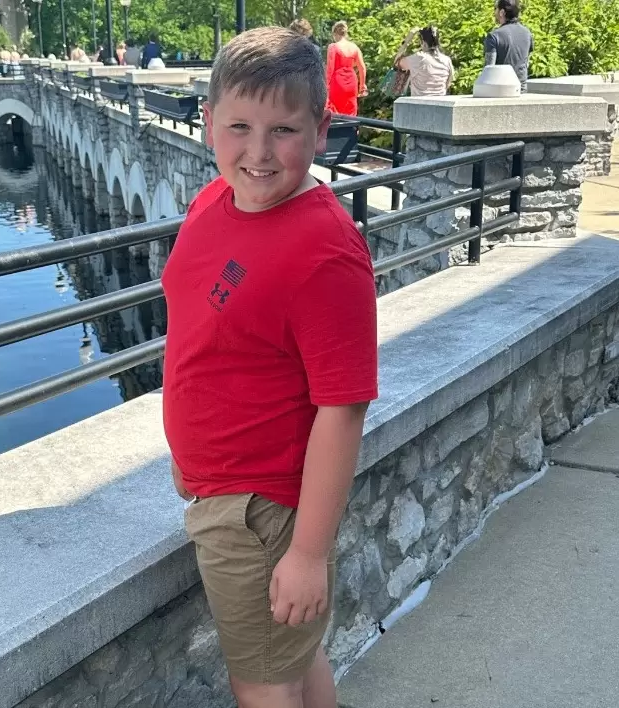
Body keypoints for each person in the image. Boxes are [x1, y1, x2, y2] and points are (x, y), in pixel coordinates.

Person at [162, 25, 378, 708]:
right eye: (239, 127)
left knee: (262, 683)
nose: (257, 152)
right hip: (223, 487)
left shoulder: (324, 251)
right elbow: (208, 331)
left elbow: (343, 407)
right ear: (208, 123)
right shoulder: (211, 201)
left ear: (321, 130)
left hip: (262, 513)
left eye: (283, 130)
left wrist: (307, 553)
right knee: (293, 660)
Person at [485, 0, 534, 92]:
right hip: (521, 89)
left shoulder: (494, 36)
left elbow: (489, 70)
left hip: (501, 90)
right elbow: (526, 62)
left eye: (496, 9)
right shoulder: (527, 33)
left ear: (502, 12)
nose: (495, 12)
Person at [394, 26, 454, 96]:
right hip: (440, 101)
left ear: (424, 43)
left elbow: (397, 63)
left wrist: (406, 41)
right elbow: (448, 83)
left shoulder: (420, 58)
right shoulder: (447, 60)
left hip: (419, 102)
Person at [325, 21, 367, 116]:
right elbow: (362, 68)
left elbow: (330, 69)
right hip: (352, 83)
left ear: (335, 34)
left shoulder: (333, 47)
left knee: (335, 113)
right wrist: (362, 86)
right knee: (351, 111)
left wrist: (326, 86)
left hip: (337, 82)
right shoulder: (354, 47)